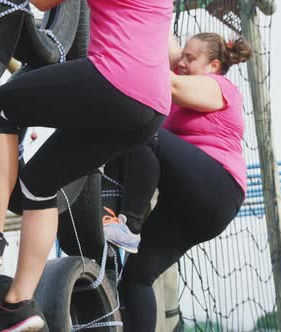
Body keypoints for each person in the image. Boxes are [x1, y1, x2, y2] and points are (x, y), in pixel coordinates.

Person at [0, 0, 173, 330]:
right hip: (152, 108)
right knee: (39, 183)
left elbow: (43, 2)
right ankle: (19, 303)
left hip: (116, 81)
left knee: (0, 109)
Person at [106, 32, 253, 331]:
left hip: (217, 186)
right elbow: (159, 32)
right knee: (135, 279)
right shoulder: (185, 79)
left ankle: (130, 224)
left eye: (191, 58)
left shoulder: (217, 87)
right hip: (187, 204)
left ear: (213, 65)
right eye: (183, 56)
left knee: (143, 130)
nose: (182, 62)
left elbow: (168, 81)